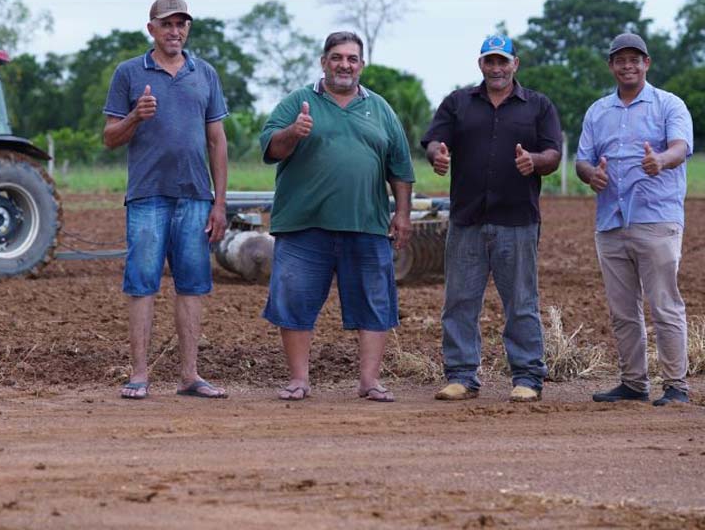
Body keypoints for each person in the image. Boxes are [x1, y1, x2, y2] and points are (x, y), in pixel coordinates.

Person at [259, 31, 414, 402]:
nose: (344, 64)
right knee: (294, 299)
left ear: (361, 64)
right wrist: (294, 133)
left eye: (352, 58)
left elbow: (400, 168)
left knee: (375, 303)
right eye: (337, 57)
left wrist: (403, 214)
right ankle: (298, 379)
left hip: (367, 224)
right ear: (323, 61)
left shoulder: (380, 109)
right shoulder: (298, 102)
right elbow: (270, 147)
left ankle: (369, 381)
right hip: (304, 225)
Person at [421, 34, 562, 403]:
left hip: (517, 220)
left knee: (521, 302)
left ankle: (528, 377)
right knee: (460, 301)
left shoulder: (538, 106)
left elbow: (554, 154)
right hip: (467, 218)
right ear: (480, 64)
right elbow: (434, 141)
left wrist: (535, 161)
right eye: (489, 61)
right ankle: (461, 376)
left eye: (503, 61)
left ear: (516, 64)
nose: (496, 68)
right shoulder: (458, 103)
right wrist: (438, 154)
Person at [102, 0, 229, 400]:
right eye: (167, 24)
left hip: (195, 196)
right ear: (151, 29)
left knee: (192, 285)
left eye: (181, 24)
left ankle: (190, 375)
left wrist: (219, 202)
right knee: (142, 283)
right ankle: (139, 374)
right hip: (147, 197)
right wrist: (136, 116)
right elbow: (109, 138)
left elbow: (217, 140)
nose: (175, 31)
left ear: (187, 28)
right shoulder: (128, 74)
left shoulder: (204, 73)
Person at [576, 33, 694, 406]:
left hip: (656, 219)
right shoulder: (598, 112)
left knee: (664, 305)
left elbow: (679, 147)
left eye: (635, 59)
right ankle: (633, 382)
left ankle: (676, 385)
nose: (628, 65)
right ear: (611, 66)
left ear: (647, 63)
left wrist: (660, 160)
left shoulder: (668, 105)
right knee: (623, 310)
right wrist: (590, 174)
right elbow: (582, 159)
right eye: (620, 60)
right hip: (611, 220)